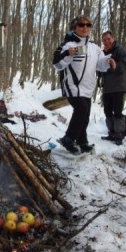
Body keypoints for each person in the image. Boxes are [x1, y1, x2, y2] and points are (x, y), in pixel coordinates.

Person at [53, 15, 116, 154]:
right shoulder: (68, 45)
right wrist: (68, 54)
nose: (85, 27)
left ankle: (82, 142)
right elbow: (57, 64)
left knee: (85, 115)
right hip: (72, 86)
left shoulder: (94, 47)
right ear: (75, 27)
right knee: (81, 110)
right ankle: (68, 138)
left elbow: (99, 65)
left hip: (87, 88)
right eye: (81, 24)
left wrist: (108, 61)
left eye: (88, 25)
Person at [98, 30, 126, 145]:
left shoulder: (120, 51)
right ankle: (111, 133)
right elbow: (100, 70)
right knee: (107, 110)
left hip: (119, 86)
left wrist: (114, 64)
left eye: (108, 39)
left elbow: (122, 67)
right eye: (104, 40)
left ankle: (119, 135)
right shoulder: (102, 53)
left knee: (117, 111)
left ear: (113, 38)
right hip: (107, 87)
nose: (107, 41)